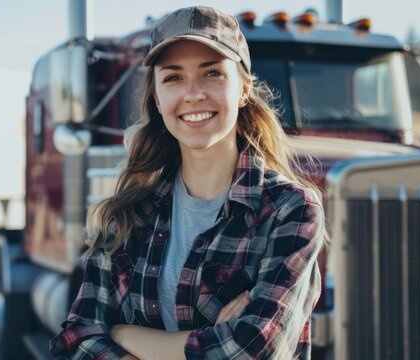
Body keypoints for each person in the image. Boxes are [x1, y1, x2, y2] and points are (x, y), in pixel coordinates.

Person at [50, 6, 325, 360]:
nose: (193, 93)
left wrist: (121, 333)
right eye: (173, 77)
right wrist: (209, 339)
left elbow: (250, 350)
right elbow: (75, 339)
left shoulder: (290, 209)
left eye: (212, 73)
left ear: (243, 90)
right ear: (157, 100)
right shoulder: (128, 212)